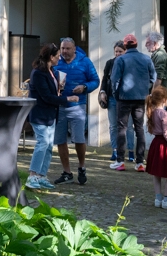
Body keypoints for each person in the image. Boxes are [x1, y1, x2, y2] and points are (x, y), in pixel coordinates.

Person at [25, 42, 80, 191]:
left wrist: (60, 89)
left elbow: (53, 94)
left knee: (49, 146)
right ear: (51, 57)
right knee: (42, 142)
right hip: (40, 114)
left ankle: (41, 176)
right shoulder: (38, 73)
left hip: (50, 114)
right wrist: (67, 99)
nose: (59, 58)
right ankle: (32, 175)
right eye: (57, 56)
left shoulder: (52, 71)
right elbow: (46, 96)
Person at [51, 38, 99, 185]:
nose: (64, 51)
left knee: (79, 138)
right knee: (60, 140)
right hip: (60, 105)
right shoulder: (56, 61)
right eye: (62, 49)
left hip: (78, 106)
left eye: (67, 49)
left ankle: (81, 166)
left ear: (74, 49)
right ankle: (67, 172)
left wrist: (84, 87)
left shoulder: (85, 62)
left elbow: (95, 80)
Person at [110, 34, 156, 171]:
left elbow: (114, 79)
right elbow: (153, 78)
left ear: (125, 46)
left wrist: (116, 94)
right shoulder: (146, 59)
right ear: (136, 44)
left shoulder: (120, 59)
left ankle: (120, 160)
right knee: (139, 129)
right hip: (141, 98)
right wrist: (146, 90)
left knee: (121, 129)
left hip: (124, 98)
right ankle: (140, 162)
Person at [98, 41, 133, 162]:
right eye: (116, 51)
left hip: (127, 99)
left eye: (120, 51)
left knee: (129, 126)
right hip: (112, 98)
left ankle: (131, 151)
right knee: (113, 126)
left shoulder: (130, 63)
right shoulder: (110, 63)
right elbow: (104, 79)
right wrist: (103, 92)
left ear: (125, 52)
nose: (118, 54)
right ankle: (115, 150)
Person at [146, 32, 167, 98]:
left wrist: (152, 95)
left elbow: (158, 78)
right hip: (160, 93)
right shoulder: (157, 54)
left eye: (148, 43)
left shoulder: (160, 55)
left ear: (155, 43)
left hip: (159, 95)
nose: (146, 45)